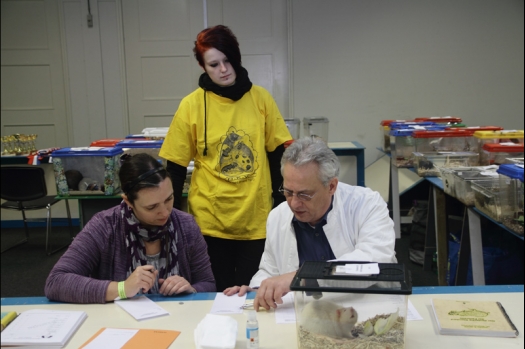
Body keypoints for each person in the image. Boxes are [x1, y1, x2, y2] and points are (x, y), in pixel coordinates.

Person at [159, 25, 292, 292]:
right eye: (214, 64)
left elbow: (278, 155)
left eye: (228, 60)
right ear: (203, 66)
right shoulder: (191, 105)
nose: (223, 69)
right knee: (214, 296)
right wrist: (170, 218)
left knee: (250, 295)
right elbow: (174, 167)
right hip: (209, 222)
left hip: (256, 221)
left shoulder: (261, 99)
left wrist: (281, 207)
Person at [224, 137, 397, 310]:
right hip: (304, 316)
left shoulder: (367, 204)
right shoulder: (278, 216)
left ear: (331, 186)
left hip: (366, 309)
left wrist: (302, 277)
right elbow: (270, 270)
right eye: (288, 192)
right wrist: (258, 289)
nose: (294, 203)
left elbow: (372, 262)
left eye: (304, 195)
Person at [45, 153, 215, 304]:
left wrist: (190, 289)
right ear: (128, 202)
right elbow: (56, 282)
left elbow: (208, 284)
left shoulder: (186, 225)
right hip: (120, 327)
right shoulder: (104, 226)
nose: (164, 212)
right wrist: (122, 288)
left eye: (169, 199)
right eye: (151, 207)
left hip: (177, 323)